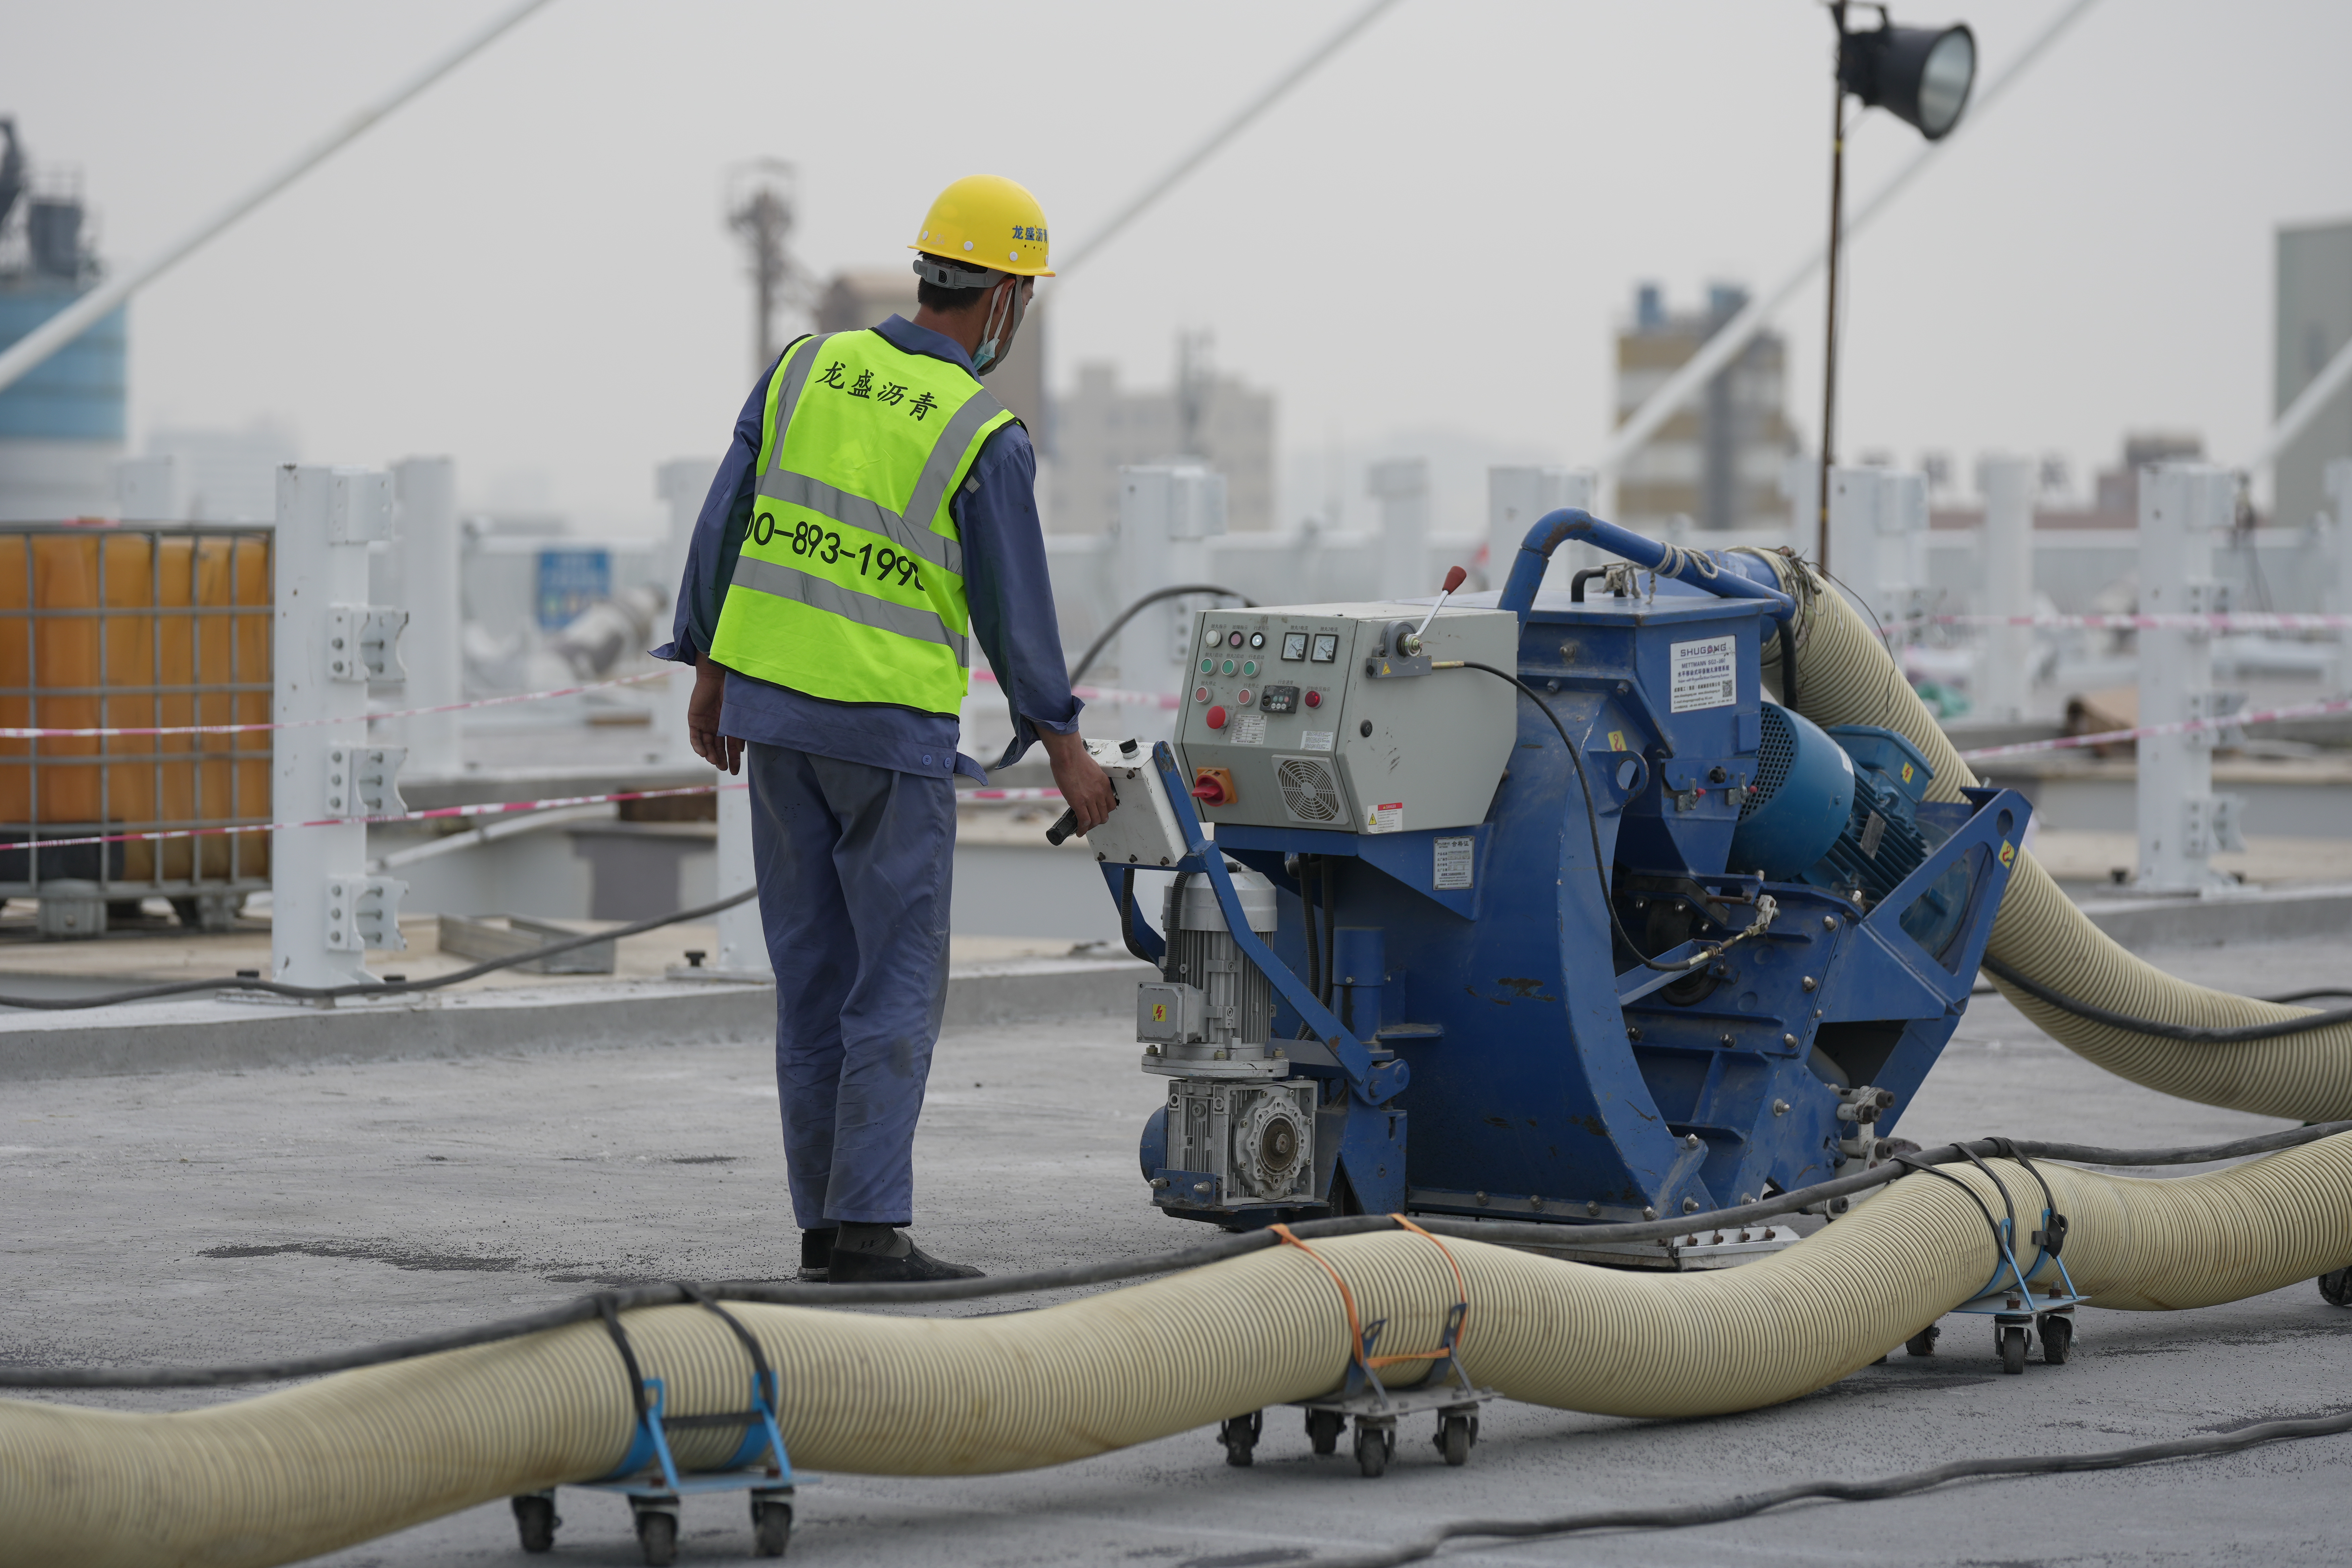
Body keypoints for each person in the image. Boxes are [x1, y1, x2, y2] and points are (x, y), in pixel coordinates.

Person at [656, 175, 1117, 1283]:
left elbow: (728, 525)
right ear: (1005, 297)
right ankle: (868, 1228)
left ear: (928, 272)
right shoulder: (982, 432)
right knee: (895, 979)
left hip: (774, 721)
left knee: (812, 976)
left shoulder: (804, 370)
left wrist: (710, 671)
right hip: (888, 738)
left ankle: (824, 1226)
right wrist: (1066, 750)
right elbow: (1015, 614)